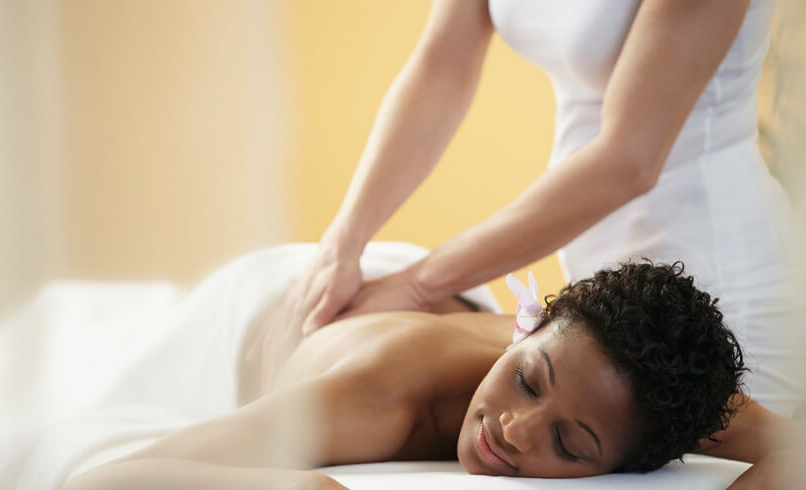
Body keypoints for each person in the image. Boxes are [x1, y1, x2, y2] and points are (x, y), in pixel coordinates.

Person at [283, 0, 805, 417]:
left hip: (717, 279)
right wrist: (346, 239)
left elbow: (629, 161)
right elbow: (442, 65)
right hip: (600, 282)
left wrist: (419, 283)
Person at [61, 261, 804, 489]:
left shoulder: (626, 376)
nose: (511, 429)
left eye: (570, 447)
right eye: (526, 380)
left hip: (434, 312)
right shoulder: (368, 403)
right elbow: (101, 480)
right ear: (533, 329)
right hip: (269, 307)